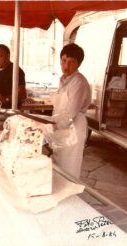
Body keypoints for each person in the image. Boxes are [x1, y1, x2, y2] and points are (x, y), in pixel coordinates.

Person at [51, 43, 91, 178]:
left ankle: (70, 197)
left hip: (74, 128)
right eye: (64, 61)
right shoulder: (64, 79)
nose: (66, 66)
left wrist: (52, 126)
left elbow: (70, 113)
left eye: (72, 62)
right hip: (62, 127)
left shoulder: (78, 83)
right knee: (59, 166)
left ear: (78, 64)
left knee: (69, 168)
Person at [0, 44, 26, 109]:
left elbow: (22, 95)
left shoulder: (16, 71)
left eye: (0, 56)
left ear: (8, 56)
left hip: (11, 112)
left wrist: (5, 99)